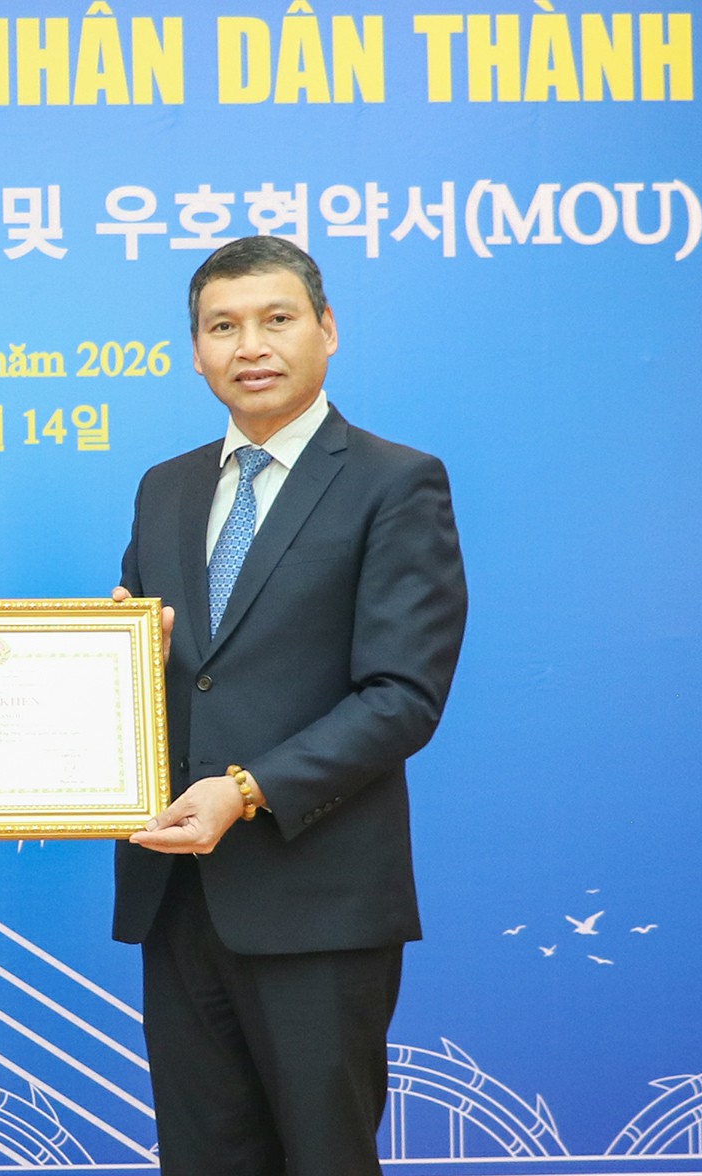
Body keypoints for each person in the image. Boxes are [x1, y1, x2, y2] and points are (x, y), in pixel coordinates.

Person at [112, 235, 468, 1175]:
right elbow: (168, 668)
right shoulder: (165, 487)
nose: (251, 346)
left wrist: (247, 789)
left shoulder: (396, 481)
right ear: (196, 350)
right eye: (223, 327)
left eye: (277, 319)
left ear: (327, 329)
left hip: (318, 900)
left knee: (323, 1157)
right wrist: (118, 663)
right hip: (179, 898)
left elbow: (402, 697)